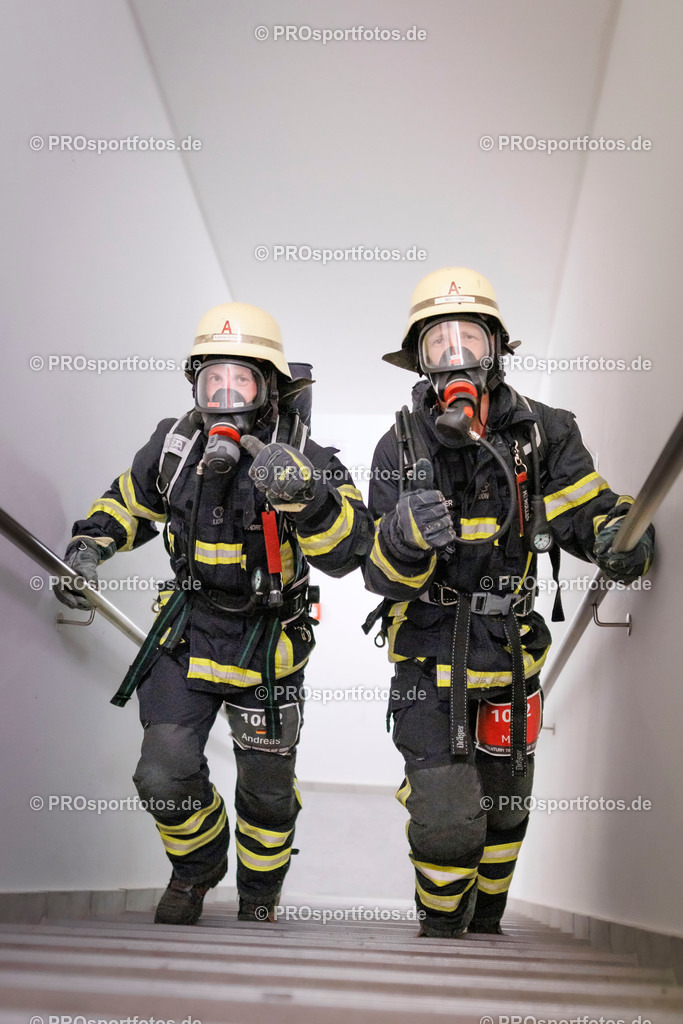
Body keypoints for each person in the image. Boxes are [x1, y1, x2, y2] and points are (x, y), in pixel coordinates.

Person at [54, 302, 372, 926]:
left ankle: (260, 892)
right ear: (196, 387)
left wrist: (307, 497)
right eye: (212, 382)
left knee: (267, 791)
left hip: (269, 645)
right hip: (188, 633)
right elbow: (129, 501)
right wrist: (90, 545)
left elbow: (351, 550)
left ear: (270, 391)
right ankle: (197, 872)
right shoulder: (174, 448)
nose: (225, 397)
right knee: (162, 773)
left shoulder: (310, 457)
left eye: (242, 382)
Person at [363, 267, 654, 938]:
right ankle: (440, 934)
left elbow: (590, 512)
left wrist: (619, 536)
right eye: (439, 344)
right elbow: (377, 575)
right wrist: (404, 542)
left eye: (469, 339)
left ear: (496, 349)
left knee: (503, 808)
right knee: (445, 811)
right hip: (427, 655)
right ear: (419, 361)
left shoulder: (543, 434)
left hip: (511, 655)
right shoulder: (399, 447)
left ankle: (486, 921)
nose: (455, 357)